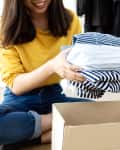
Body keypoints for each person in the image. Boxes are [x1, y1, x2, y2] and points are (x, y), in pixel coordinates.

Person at [0, 0, 87, 146]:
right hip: (19, 99)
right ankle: (55, 124)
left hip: (54, 95)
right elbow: (16, 85)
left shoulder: (71, 20)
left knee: (101, 113)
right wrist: (52, 66)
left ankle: (29, 137)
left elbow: (78, 63)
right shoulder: (5, 26)